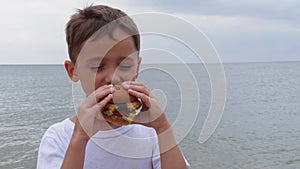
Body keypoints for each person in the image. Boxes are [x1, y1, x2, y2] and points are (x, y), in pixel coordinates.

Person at [37, 4, 188, 169]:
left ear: (137, 68)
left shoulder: (151, 133)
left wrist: (162, 127)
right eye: (98, 67)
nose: (113, 78)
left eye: (124, 66)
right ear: (73, 71)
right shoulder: (59, 137)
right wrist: (80, 138)